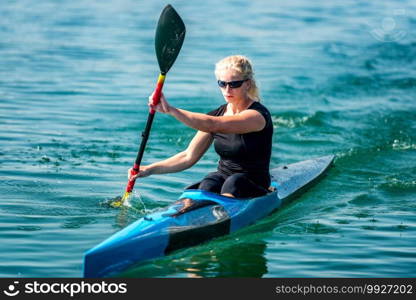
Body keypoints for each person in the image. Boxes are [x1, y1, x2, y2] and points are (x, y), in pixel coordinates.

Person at [128, 55, 273, 199]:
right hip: (224, 179)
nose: (227, 90)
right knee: (208, 183)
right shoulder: (218, 113)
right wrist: (148, 170)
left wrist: (171, 110)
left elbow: (213, 124)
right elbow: (188, 156)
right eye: (222, 84)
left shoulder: (257, 116)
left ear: (247, 84)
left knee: (234, 183)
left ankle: (222, 217)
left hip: (253, 183)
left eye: (234, 84)